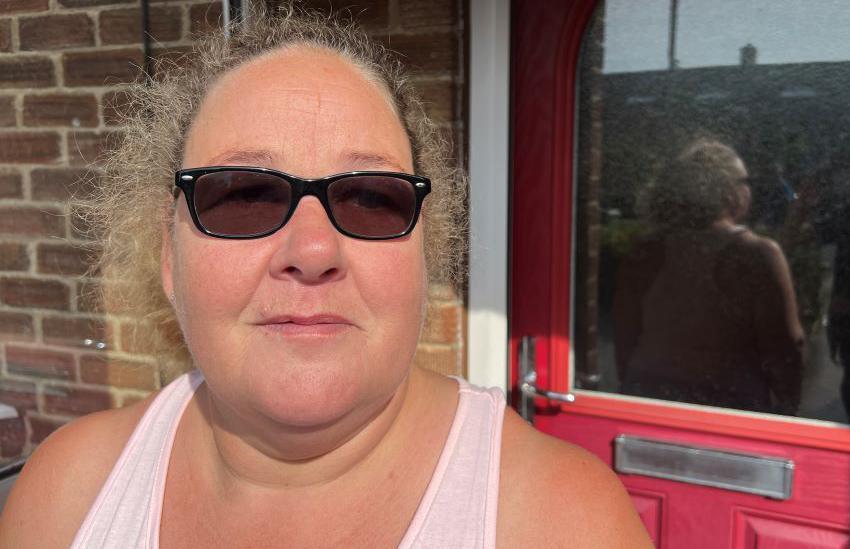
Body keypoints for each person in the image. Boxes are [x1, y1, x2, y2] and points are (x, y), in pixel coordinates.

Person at [0, 6, 651, 548]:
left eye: (370, 198)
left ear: (425, 252)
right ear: (170, 260)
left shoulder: (563, 522)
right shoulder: (65, 495)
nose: (312, 249)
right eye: (244, 195)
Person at [613, 138, 804, 415]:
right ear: (727, 190)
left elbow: (624, 336)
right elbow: (786, 347)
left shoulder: (646, 250)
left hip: (649, 400)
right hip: (727, 410)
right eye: (745, 181)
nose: (750, 189)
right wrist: (789, 413)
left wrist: (633, 392)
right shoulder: (756, 254)